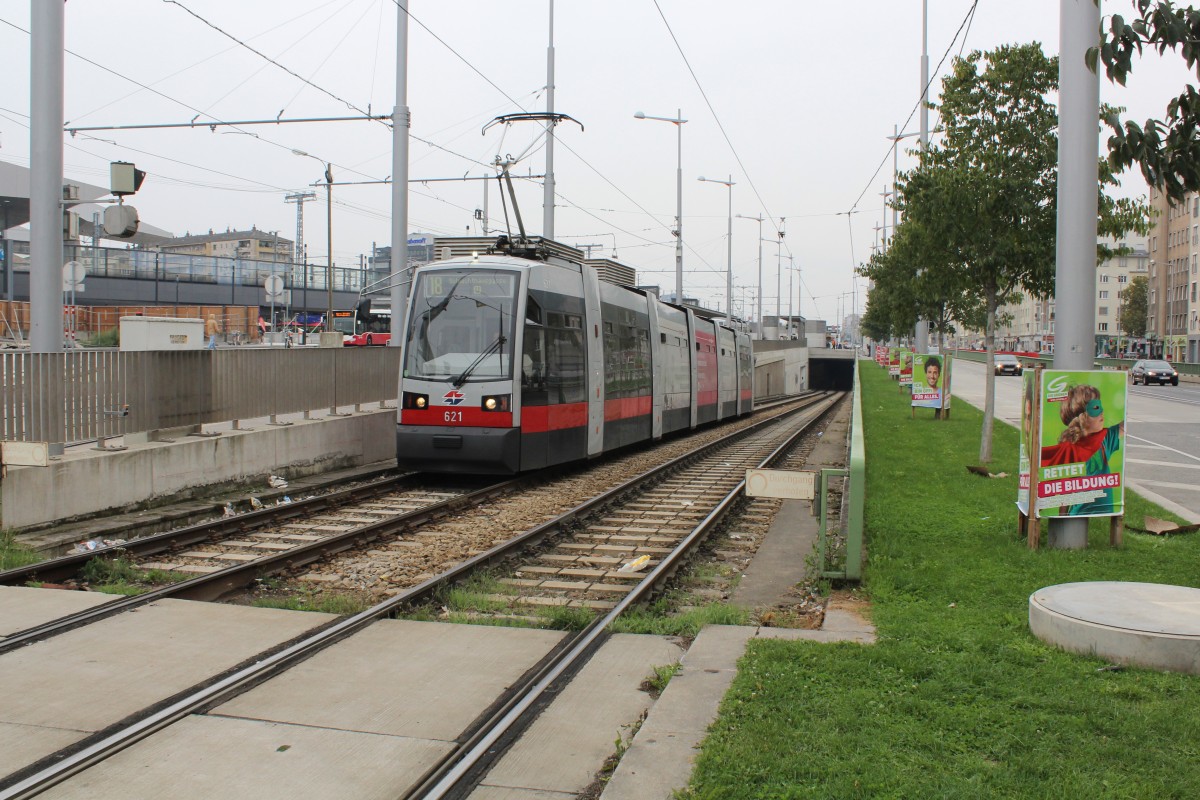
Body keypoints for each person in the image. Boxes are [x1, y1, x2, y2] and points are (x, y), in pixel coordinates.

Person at [1039, 384, 1123, 515]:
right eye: (1095, 408)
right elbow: (1063, 487)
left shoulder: (1105, 440)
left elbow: (1124, 426)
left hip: (1105, 509)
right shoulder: (1072, 449)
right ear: (1082, 417)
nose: (1102, 412)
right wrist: (1063, 518)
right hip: (1079, 513)